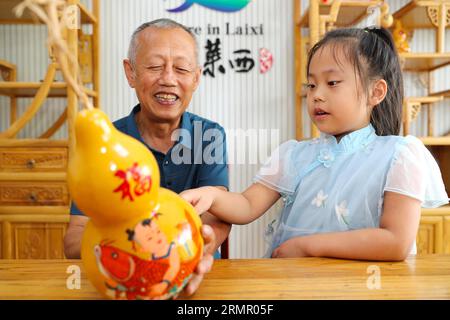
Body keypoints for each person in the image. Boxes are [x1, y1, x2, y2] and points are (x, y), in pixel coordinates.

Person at [181, 27, 449, 261]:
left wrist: (308, 247)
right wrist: (212, 196)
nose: (317, 95)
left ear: (375, 92)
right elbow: (247, 205)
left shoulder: (400, 155)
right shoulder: (293, 154)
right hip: (293, 287)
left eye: (332, 83)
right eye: (311, 85)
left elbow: (395, 242)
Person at [64, 18, 231, 295]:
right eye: (154, 66)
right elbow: (74, 239)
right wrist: (125, 247)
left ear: (196, 78)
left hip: (195, 283)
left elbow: (218, 215)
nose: (168, 79)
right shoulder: (104, 145)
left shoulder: (209, 135)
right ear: (130, 73)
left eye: (181, 69)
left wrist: (199, 248)